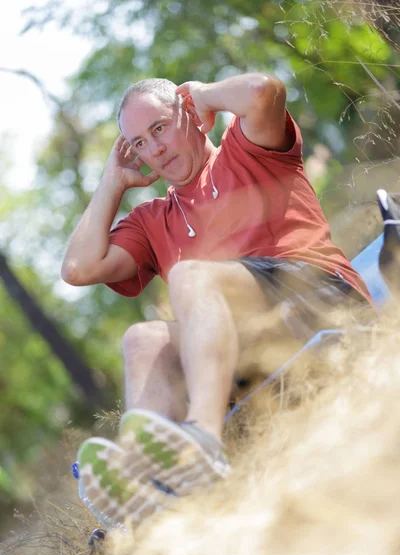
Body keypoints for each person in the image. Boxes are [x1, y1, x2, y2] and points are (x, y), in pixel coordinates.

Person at [62, 73, 373, 529]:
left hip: (317, 297)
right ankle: (148, 483)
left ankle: (201, 440)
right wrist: (112, 182)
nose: (156, 148)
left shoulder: (244, 150)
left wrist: (202, 95)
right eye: (140, 142)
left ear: (190, 117)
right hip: (251, 356)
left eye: (160, 128)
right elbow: (78, 269)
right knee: (142, 338)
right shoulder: (153, 221)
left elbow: (263, 92)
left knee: (190, 277)